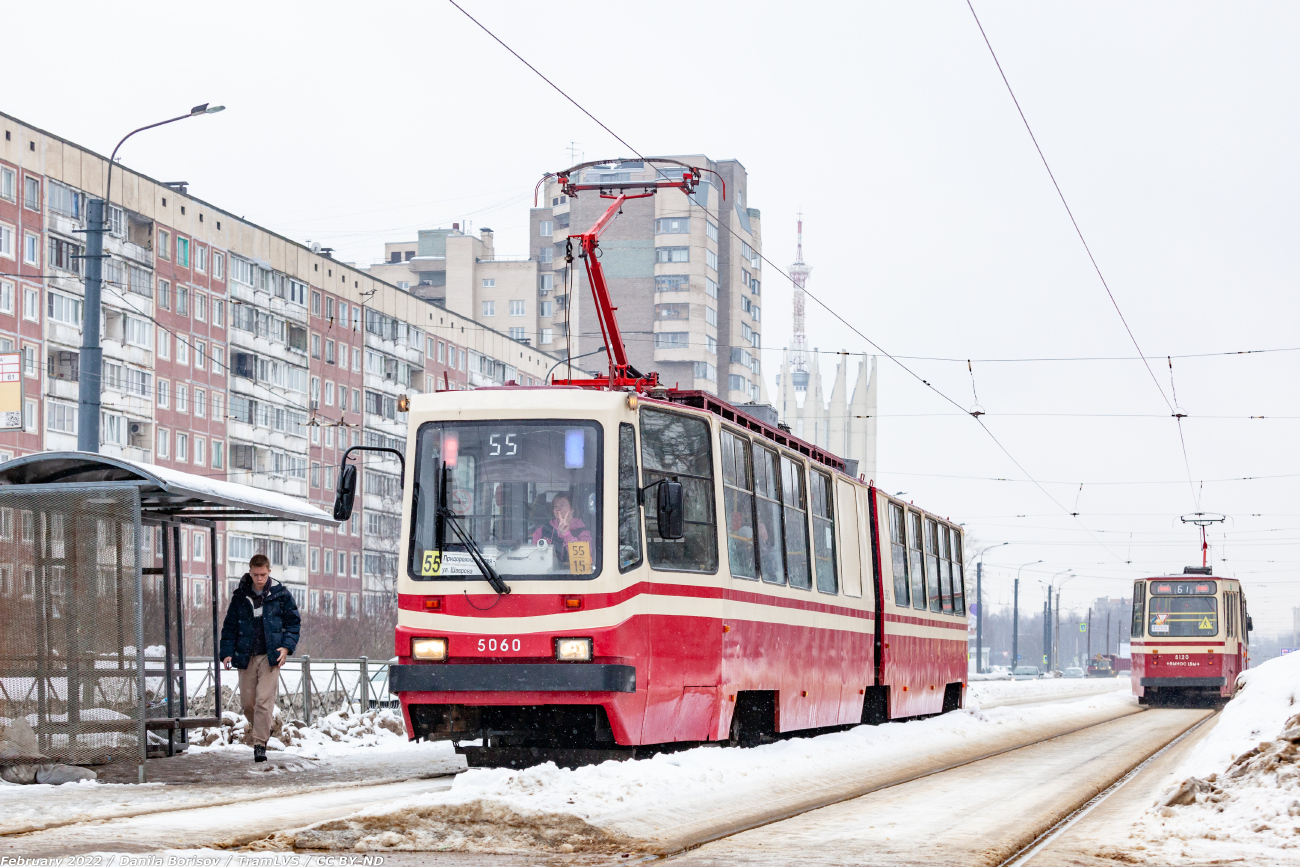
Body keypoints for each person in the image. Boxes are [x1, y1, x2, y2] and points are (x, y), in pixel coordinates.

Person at [219, 553, 300, 763]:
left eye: (263, 574)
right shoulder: (239, 597)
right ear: (250, 573)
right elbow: (229, 626)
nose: (260, 578)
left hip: (271, 656)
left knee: (264, 701)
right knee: (248, 703)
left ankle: (259, 744)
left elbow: (293, 623)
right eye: (255, 575)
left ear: (269, 572)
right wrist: (226, 652)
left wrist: (286, 648)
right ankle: (262, 730)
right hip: (245, 655)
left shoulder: (281, 595)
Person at [531, 494, 591, 566]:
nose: (558, 509)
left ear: (572, 509)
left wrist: (566, 534)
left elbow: (583, 557)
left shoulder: (582, 531)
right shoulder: (542, 530)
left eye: (562, 505)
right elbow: (533, 556)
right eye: (555, 506)